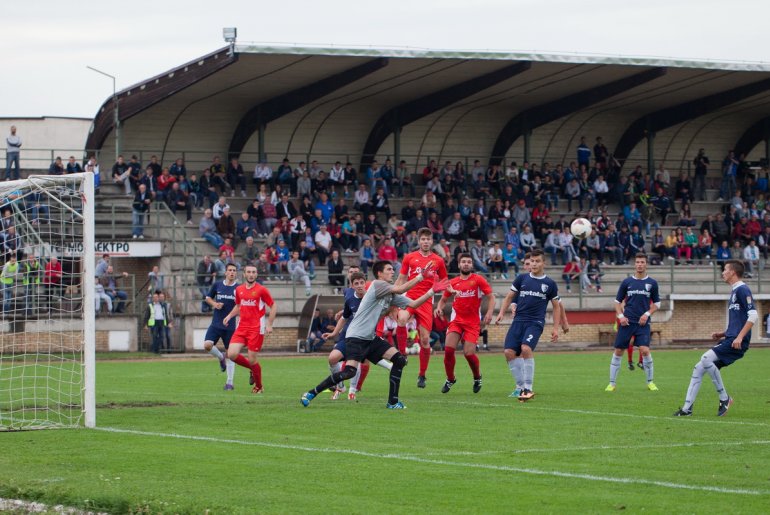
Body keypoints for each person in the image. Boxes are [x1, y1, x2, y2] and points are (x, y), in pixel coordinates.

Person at [300, 260, 448, 409]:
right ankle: (312, 392)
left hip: (370, 338)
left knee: (399, 360)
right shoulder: (378, 285)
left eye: (392, 269)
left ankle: (393, 402)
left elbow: (414, 304)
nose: (392, 272)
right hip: (356, 337)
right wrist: (421, 277)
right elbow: (401, 288)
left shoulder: (390, 294)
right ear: (379, 273)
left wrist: (431, 292)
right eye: (389, 269)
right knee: (349, 372)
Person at [674, 260, 757, 417]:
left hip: (737, 342)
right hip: (730, 338)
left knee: (706, 358)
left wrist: (739, 337)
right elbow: (739, 320)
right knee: (699, 368)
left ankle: (724, 398)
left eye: (725, 270)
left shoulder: (742, 290)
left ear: (733, 272)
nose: (723, 273)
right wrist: (724, 333)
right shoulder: (734, 292)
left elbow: (753, 316)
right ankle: (686, 409)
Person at [495, 249, 562, 401]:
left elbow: (557, 306)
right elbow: (509, 296)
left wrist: (556, 328)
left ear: (543, 263)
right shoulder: (522, 279)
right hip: (518, 321)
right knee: (508, 352)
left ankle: (528, 388)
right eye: (532, 261)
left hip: (535, 322)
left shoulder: (549, 284)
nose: (534, 264)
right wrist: (501, 313)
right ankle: (520, 387)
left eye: (537, 261)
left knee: (525, 348)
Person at [395, 227, 449, 388]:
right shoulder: (409, 257)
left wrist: (450, 292)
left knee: (425, 340)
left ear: (432, 241)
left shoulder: (438, 260)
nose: (425, 242)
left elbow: (445, 281)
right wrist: (393, 293)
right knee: (402, 319)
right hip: (410, 297)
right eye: (423, 239)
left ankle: (422, 375)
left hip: (426, 301)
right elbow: (401, 278)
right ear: (419, 241)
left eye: (428, 239)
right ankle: (402, 354)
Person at [434, 254, 495, 394]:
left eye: (468, 262)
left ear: (472, 265)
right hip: (456, 321)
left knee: (468, 353)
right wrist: (439, 308)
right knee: (448, 350)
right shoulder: (453, 282)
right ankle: (450, 379)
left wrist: (490, 312)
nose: (466, 264)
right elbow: (443, 300)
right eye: (463, 262)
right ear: (459, 264)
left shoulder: (478, 280)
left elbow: (491, 297)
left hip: (472, 322)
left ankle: (477, 377)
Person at [605, 253, 661, 392]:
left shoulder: (652, 283)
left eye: (642, 262)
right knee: (618, 351)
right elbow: (617, 302)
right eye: (637, 262)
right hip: (627, 322)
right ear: (635, 264)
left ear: (646, 264)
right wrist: (621, 316)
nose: (640, 264)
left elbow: (657, 304)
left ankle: (650, 382)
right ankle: (611, 384)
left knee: (645, 350)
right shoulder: (627, 282)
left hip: (643, 323)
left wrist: (647, 314)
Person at [222, 265, 276, 394]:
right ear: (244, 274)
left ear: (256, 275)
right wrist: (229, 316)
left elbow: (273, 306)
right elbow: (239, 305)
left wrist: (269, 324)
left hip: (256, 328)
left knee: (252, 359)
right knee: (231, 354)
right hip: (241, 328)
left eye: (253, 272)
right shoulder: (239, 289)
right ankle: (252, 369)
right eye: (248, 272)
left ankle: (259, 386)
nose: (251, 274)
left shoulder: (262, 290)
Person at [203, 263, 239, 390]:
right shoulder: (217, 285)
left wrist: (230, 315)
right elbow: (207, 298)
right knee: (207, 345)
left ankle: (229, 383)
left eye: (234, 270)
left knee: (231, 354)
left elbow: (240, 305)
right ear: (225, 272)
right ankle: (220, 356)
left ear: (236, 273)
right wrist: (214, 304)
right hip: (216, 324)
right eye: (230, 270)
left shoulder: (238, 289)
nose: (232, 272)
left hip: (230, 327)